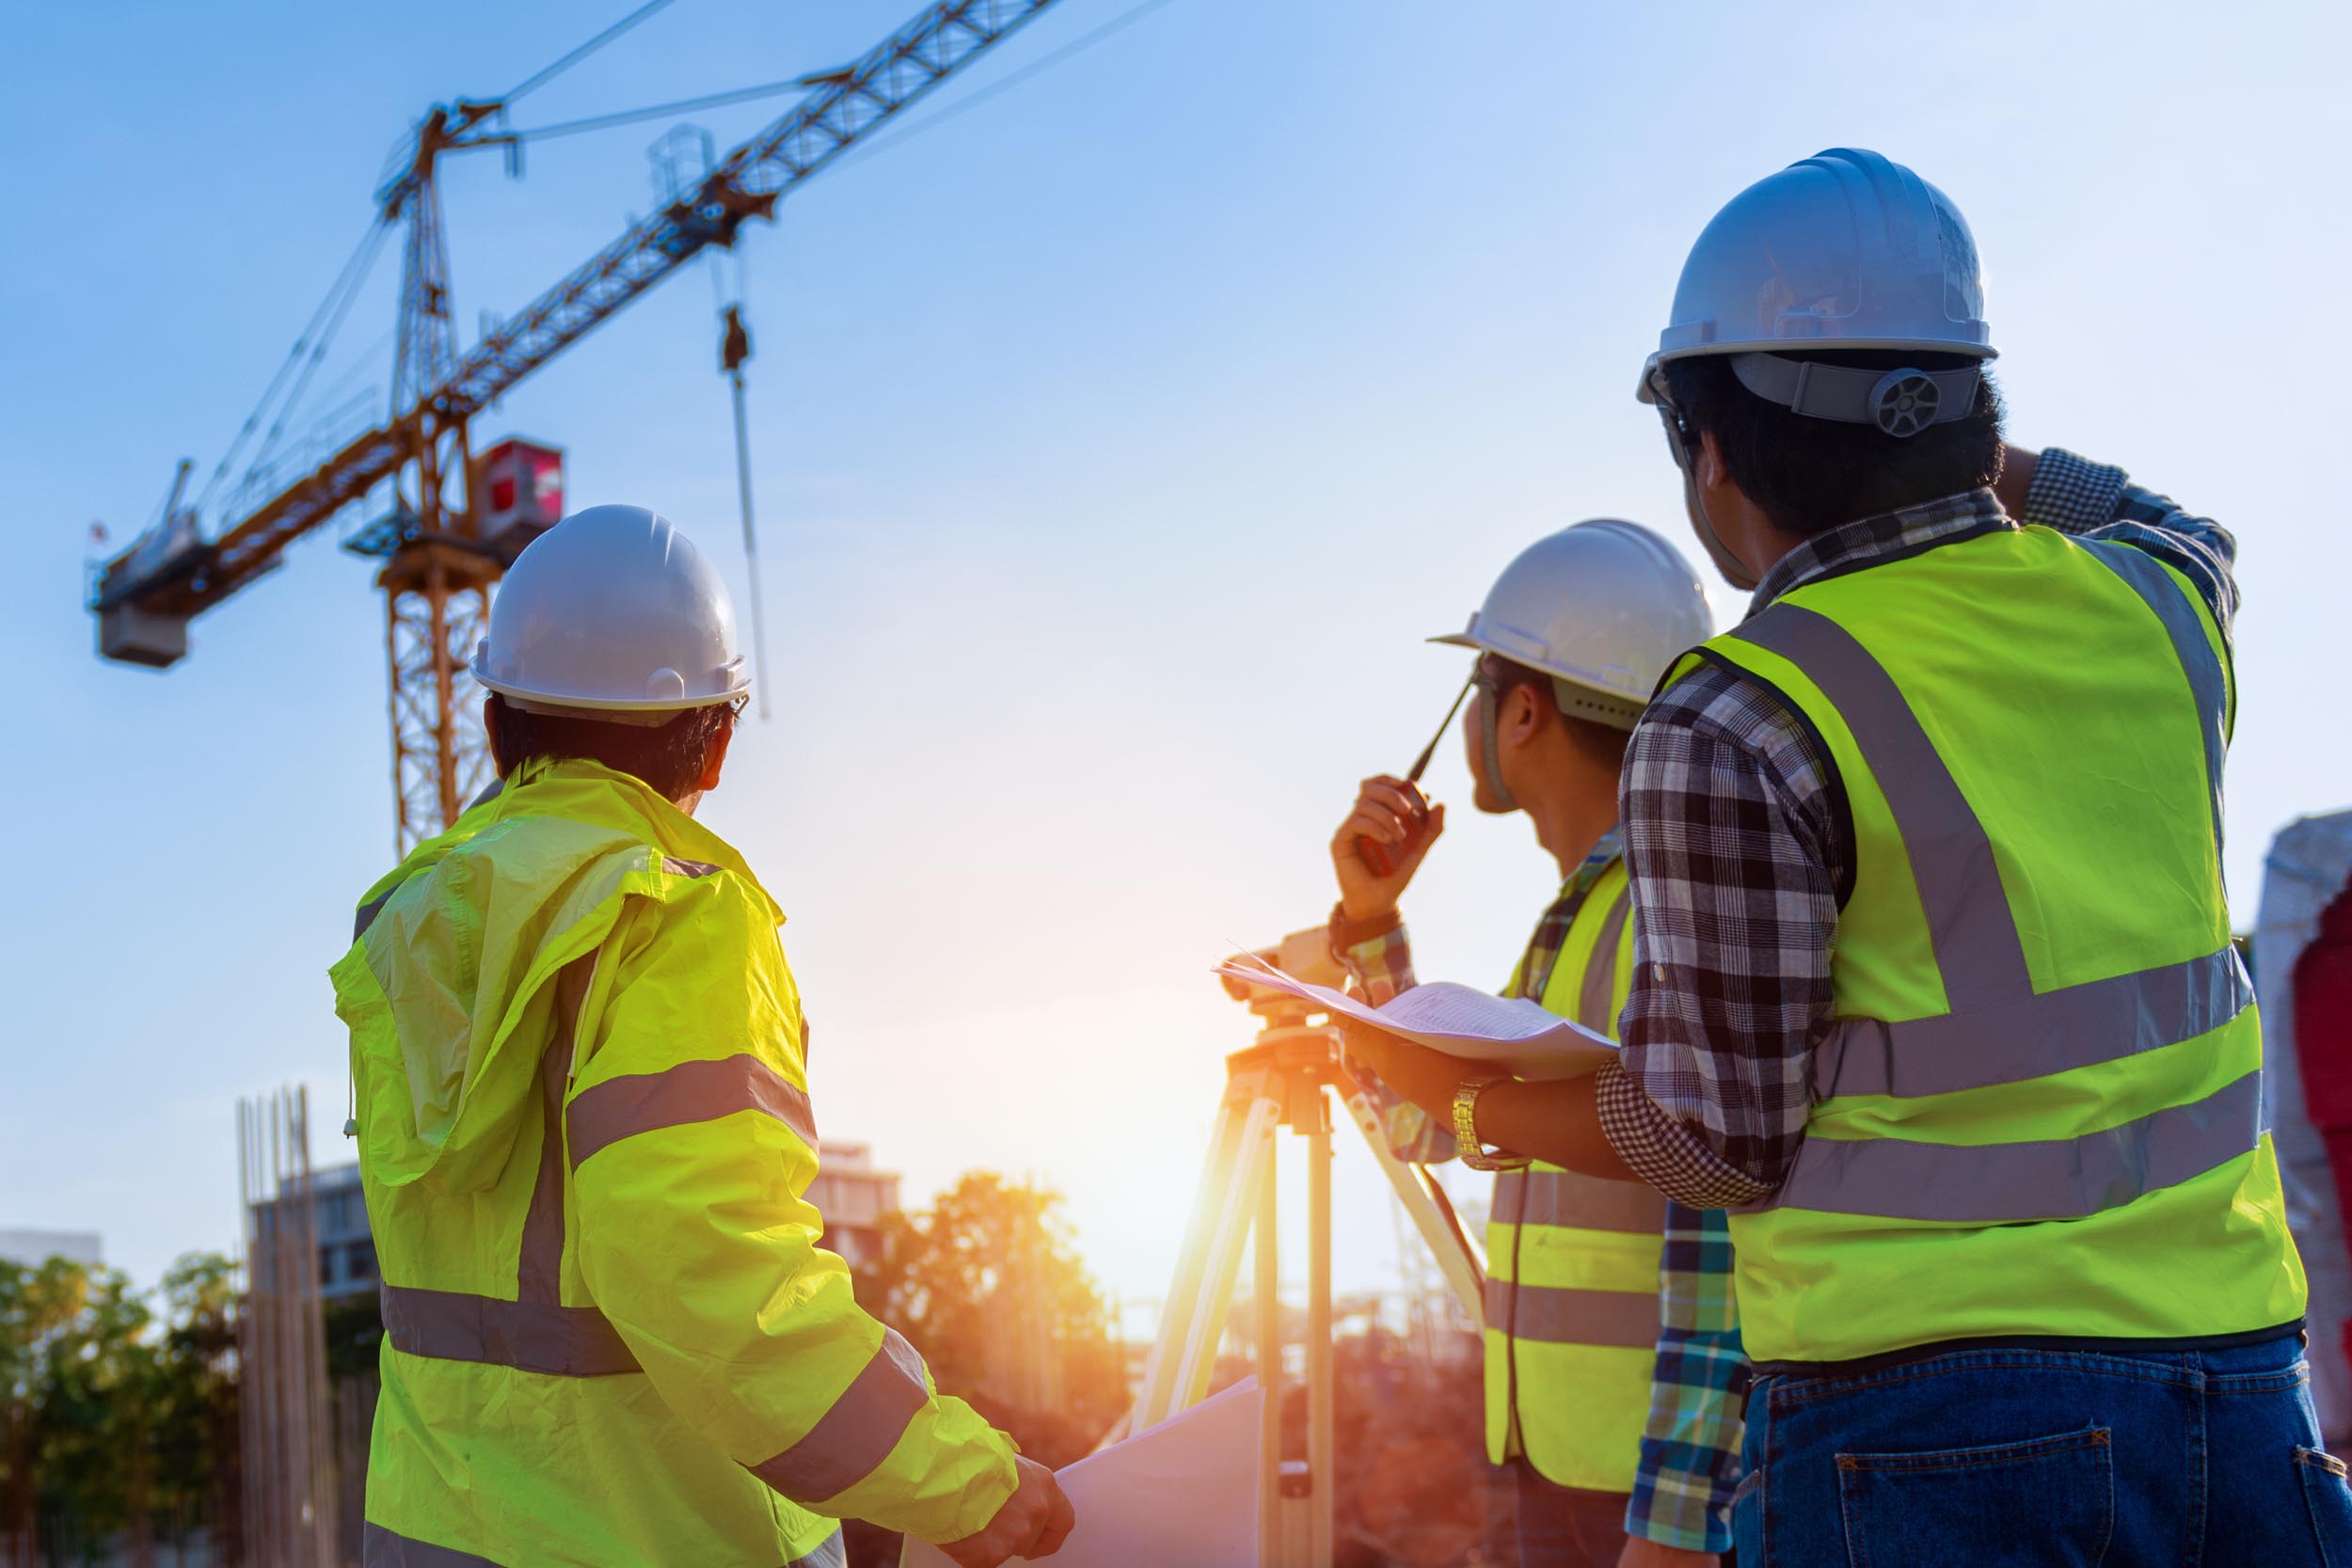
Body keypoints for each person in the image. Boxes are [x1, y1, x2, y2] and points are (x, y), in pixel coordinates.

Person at [1342, 148, 2348, 1564]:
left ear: (1711, 448)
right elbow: (2180, 525)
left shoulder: (1741, 707)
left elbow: (1712, 1138)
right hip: (2242, 1393)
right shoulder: (2159, 610)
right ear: (1965, 402)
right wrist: (1948, 439)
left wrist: (1464, 1103)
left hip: (1931, 1434)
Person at [331, 505, 1072, 1568]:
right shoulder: (675, 912)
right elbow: (709, 1275)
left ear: (495, 727)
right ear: (716, 741)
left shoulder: (409, 921)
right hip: (655, 1531)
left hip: (434, 1531)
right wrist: (962, 1484)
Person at [1327, 521, 1743, 1568]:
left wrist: (1675, 1524)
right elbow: (1435, 1117)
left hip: (1647, 1500)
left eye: (1478, 688)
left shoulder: (1661, 906)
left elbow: (1718, 1232)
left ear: (1521, 710)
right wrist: (1372, 922)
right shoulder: (1582, 916)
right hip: (1561, 1462)